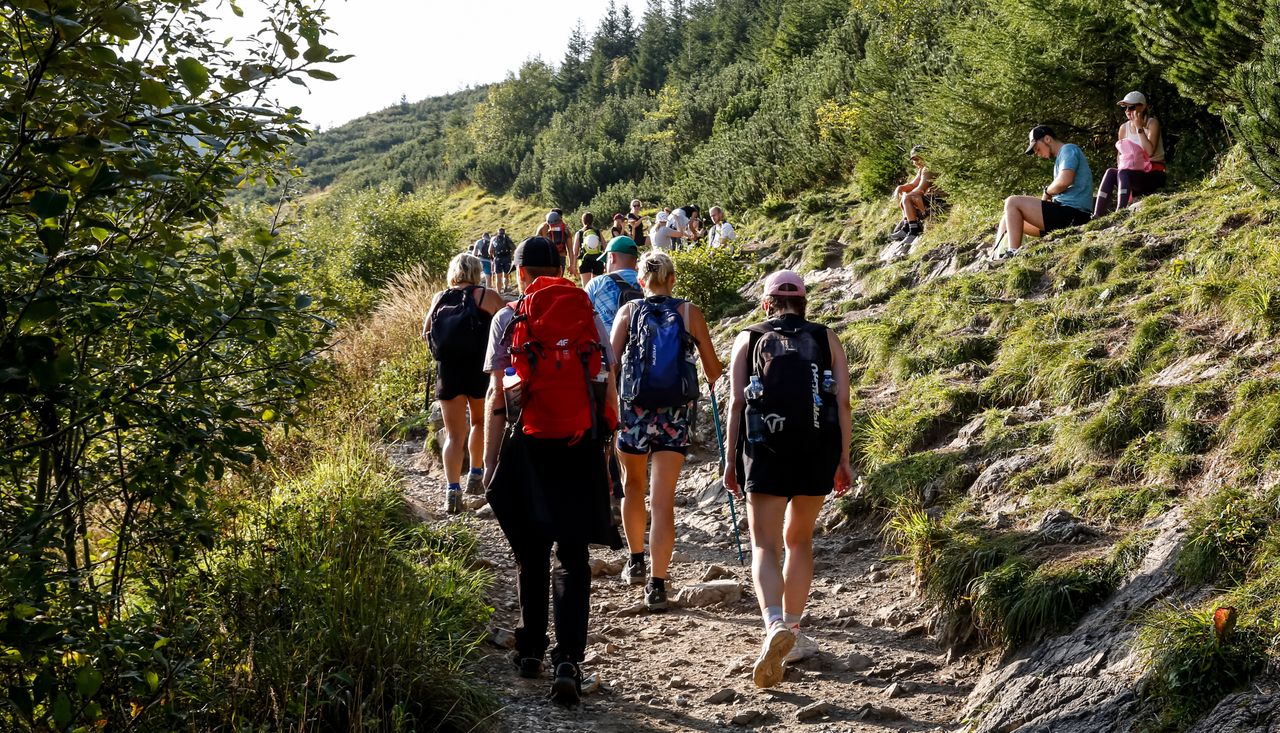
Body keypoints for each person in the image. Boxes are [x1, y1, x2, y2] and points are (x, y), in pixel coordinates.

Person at [482, 236, 621, 706]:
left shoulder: (508, 316)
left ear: (519, 273)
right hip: (580, 443)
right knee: (574, 554)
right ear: (559, 268)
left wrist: (489, 462)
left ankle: (531, 651)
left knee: (531, 549)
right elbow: (606, 380)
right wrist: (605, 449)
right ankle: (569, 661)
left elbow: (498, 398)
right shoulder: (585, 312)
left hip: (529, 444)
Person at [723, 270, 852, 689]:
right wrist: (844, 458)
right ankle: (793, 632)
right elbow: (844, 400)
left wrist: (729, 461)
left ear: (767, 303)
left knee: (764, 543)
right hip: (817, 451)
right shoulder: (825, 337)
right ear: (803, 302)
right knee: (799, 540)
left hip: (765, 452)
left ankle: (773, 623)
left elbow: (737, 402)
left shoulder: (749, 337)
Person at [611, 251, 723, 611]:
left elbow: (611, 366)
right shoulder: (689, 312)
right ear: (673, 279)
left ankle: (636, 560)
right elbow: (713, 369)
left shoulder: (627, 312)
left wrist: (611, 409)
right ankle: (658, 584)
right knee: (663, 501)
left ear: (641, 281)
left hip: (634, 413)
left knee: (632, 487)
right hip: (674, 416)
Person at [422, 253, 506, 514]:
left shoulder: (440, 298)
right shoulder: (487, 296)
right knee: (480, 423)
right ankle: (476, 475)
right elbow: (509, 324)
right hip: (479, 370)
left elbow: (425, 332)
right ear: (476, 272)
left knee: (454, 434)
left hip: (448, 373)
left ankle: (452, 491)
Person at [991, 125, 1094, 259]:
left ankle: (1013, 253)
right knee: (1008, 217)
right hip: (1064, 215)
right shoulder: (1060, 158)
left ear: (1047, 139)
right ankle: (996, 256)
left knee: (1012, 201)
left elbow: (1064, 180)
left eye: (1037, 148)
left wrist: (1047, 192)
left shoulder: (1069, 149)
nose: (1037, 153)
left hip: (1073, 214)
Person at [1093, 91, 1166, 218]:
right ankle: (1097, 214)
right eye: (1125, 107)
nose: (1127, 111)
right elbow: (1120, 157)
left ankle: (1120, 211)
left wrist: (1139, 128)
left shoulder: (1152, 123)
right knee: (1111, 172)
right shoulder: (1123, 128)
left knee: (1123, 172)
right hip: (1131, 174)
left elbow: (1150, 152)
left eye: (1131, 107)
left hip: (1153, 174)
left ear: (1142, 107)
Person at [889, 146, 938, 243]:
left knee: (907, 197)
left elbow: (920, 189)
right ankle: (907, 226)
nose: (915, 162)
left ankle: (913, 230)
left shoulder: (928, 169)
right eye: (913, 160)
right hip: (930, 197)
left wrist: (906, 197)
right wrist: (900, 188)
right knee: (905, 195)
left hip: (937, 199)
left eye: (917, 159)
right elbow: (912, 185)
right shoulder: (922, 169)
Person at [536, 210, 577, 278]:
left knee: (547, 280)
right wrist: (571, 265)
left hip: (546, 257)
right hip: (561, 256)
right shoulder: (565, 229)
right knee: (558, 279)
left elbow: (536, 244)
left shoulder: (542, 227)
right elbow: (570, 249)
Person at [572, 212, 607, 285]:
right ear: (592, 221)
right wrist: (606, 264)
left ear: (582, 221)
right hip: (598, 260)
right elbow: (605, 248)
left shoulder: (579, 233)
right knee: (597, 286)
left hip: (584, 261)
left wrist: (574, 266)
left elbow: (575, 252)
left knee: (586, 286)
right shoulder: (597, 232)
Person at [491, 227, 515, 292]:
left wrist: (494, 257)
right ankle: (505, 288)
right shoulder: (507, 238)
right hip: (507, 258)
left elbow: (490, 250)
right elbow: (513, 247)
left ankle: (498, 291)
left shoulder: (494, 239)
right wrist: (511, 255)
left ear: (498, 232)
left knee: (498, 276)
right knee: (506, 275)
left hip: (497, 258)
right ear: (504, 232)